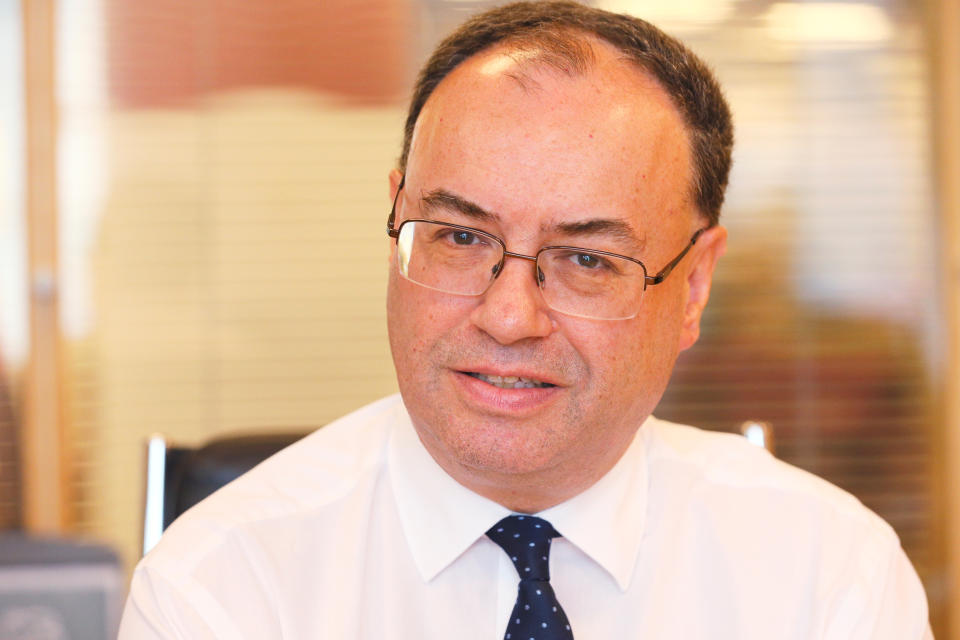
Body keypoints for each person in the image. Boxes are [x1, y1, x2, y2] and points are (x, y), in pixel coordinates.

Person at [118, 2, 933, 638]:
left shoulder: (829, 577)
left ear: (692, 288)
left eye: (587, 259)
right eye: (462, 237)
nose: (508, 317)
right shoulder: (222, 589)